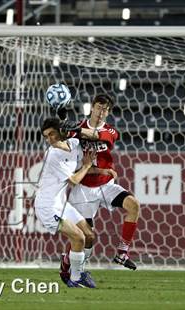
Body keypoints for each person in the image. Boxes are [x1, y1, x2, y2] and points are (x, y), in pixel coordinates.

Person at [59, 94, 140, 281]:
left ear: (108, 112)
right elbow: (64, 136)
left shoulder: (110, 131)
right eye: (98, 107)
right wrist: (63, 123)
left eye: (105, 109)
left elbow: (97, 136)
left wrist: (74, 129)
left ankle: (122, 253)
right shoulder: (79, 126)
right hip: (83, 189)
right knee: (85, 237)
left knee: (133, 205)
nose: (101, 111)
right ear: (92, 108)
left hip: (106, 185)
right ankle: (67, 262)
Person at [34, 118, 116, 288]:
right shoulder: (52, 154)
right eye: (46, 137)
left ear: (62, 132)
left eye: (52, 134)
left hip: (61, 203)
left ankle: (70, 266)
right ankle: (76, 278)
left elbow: (85, 160)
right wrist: (87, 167)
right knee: (78, 237)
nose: (49, 140)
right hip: (47, 206)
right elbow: (73, 180)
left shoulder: (74, 144)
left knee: (90, 236)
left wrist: (102, 170)